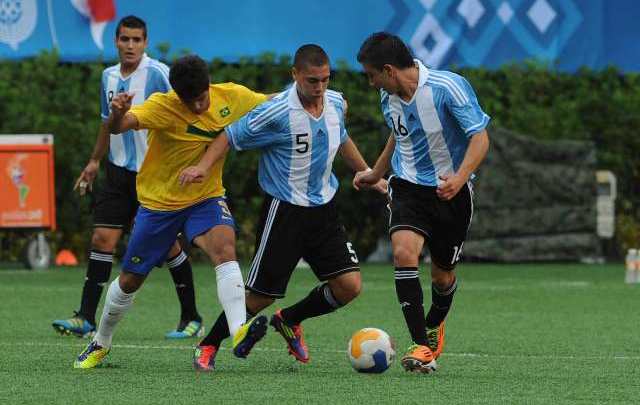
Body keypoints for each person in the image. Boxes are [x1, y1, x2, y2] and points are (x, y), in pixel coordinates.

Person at [178, 44, 387, 371]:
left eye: (325, 80)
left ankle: (289, 320)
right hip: (284, 212)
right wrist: (204, 167)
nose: (320, 89)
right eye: (312, 81)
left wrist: (369, 174)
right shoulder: (275, 111)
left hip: (324, 211)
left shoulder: (334, 102)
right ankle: (208, 345)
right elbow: (228, 136)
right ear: (295, 75)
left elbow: (341, 137)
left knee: (349, 287)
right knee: (261, 297)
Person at [74, 55, 272, 369]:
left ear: (210, 84)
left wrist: (316, 97)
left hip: (205, 198)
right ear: (177, 94)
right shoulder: (163, 105)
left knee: (224, 249)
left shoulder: (232, 96)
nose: (198, 107)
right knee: (129, 281)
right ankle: (101, 341)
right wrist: (117, 114)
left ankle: (239, 331)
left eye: (202, 98)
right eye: (189, 102)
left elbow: (271, 103)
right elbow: (120, 127)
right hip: (159, 205)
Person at [52, 15, 203, 340]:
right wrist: (94, 161)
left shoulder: (160, 73)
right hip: (117, 173)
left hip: (155, 176)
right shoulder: (107, 76)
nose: (130, 45)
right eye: (125, 39)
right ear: (116, 42)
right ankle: (85, 318)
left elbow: (188, 111)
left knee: (169, 248)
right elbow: (108, 123)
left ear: (145, 43)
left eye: (136, 40)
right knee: (102, 240)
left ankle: (192, 318)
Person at [353, 32, 490, 373]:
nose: (372, 84)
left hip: (451, 193)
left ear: (389, 69)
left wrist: (459, 179)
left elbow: (480, 137)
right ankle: (420, 346)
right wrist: (375, 173)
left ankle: (434, 323)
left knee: (442, 277)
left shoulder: (448, 87)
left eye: (372, 75)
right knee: (403, 252)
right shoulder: (390, 98)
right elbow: (398, 136)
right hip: (408, 188)